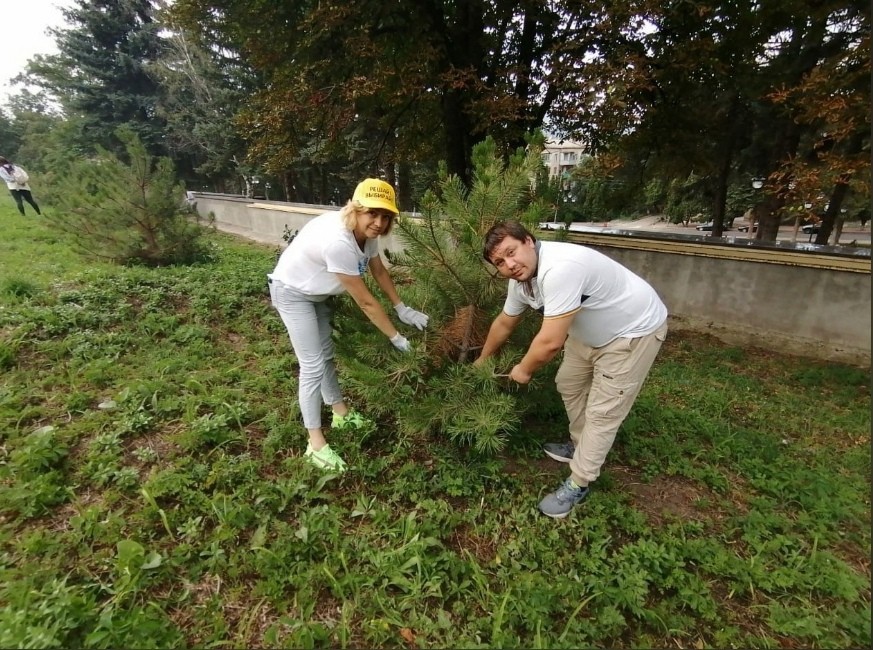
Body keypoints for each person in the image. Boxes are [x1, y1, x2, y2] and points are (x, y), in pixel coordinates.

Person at [475, 221, 668, 518]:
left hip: (633, 331)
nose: (509, 265)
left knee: (603, 413)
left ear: (529, 240)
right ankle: (581, 444)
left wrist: (523, 369)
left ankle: (580, 481)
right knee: (568, 384)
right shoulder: (521, 283)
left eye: (511, 252)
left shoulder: (559, 268)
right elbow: (504, 323)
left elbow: (550, 342)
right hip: (588, 334)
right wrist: (483, 359)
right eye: (500, 262)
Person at [267, 178, 429, 472]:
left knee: (326, 356)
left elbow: (379, 270)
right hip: (292, 293)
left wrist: (401, 307)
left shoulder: (367, 233)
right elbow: (366, 302)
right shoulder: (339, 242)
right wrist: (396, 338)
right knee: (312, 366)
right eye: (372, 213)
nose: (379, 223)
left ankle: (340, 413)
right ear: (355, 209)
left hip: (317, 294)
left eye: (385, 216)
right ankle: (315, 444)